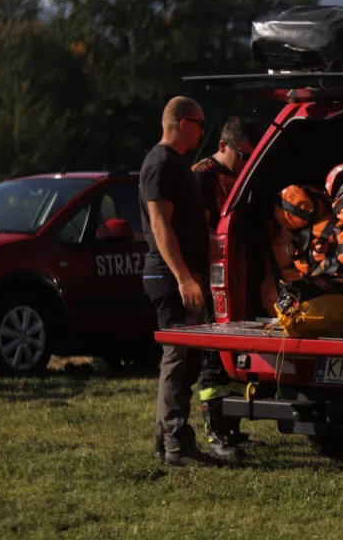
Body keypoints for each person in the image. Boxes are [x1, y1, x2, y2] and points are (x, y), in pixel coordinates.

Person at [140, 96, 223, 467]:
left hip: (183, 276)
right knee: (177, 358)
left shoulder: (176, 164)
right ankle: (175, 446)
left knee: (186, 362)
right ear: (182, 123)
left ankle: (170, 441)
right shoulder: (160, 164)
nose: (203, 132)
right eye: (200, 123)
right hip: (170, 277)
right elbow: (161, 226)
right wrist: (184, 279)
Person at [190, 116, 262, 456]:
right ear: (223, 147)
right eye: (243, 156)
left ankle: (232, 428)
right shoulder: (201, 177)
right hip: (210, 280)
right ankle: (215, 431)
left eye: (252, 157)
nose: (247, 163)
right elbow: (197, 234)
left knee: (236, 353)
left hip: (237, 277)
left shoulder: (240, 178)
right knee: (213, 356)